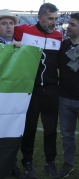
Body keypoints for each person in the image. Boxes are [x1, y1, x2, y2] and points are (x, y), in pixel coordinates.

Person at [0, 3, 62, 179]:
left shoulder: (58, 36)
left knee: (51, 129)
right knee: (28, 128)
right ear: (40, 17)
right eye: (50, 19)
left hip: (52, 90)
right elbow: (1, 30)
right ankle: (27, 162)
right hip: (31, 90)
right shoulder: (23, 30)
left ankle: (50, 162)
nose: (54, 23)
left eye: (56, 19)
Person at [0, 9, 25, 179]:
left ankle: (12, 163)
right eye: (4, 23)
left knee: (14, 129)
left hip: (17, 94)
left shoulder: (22, 44)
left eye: (11, 23)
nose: (9, 27)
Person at [58, 13, 79, 178]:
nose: (68, 27)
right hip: (65, 98)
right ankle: (68, 163)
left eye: (72, 24)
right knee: (67, 135)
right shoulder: (63, 45)